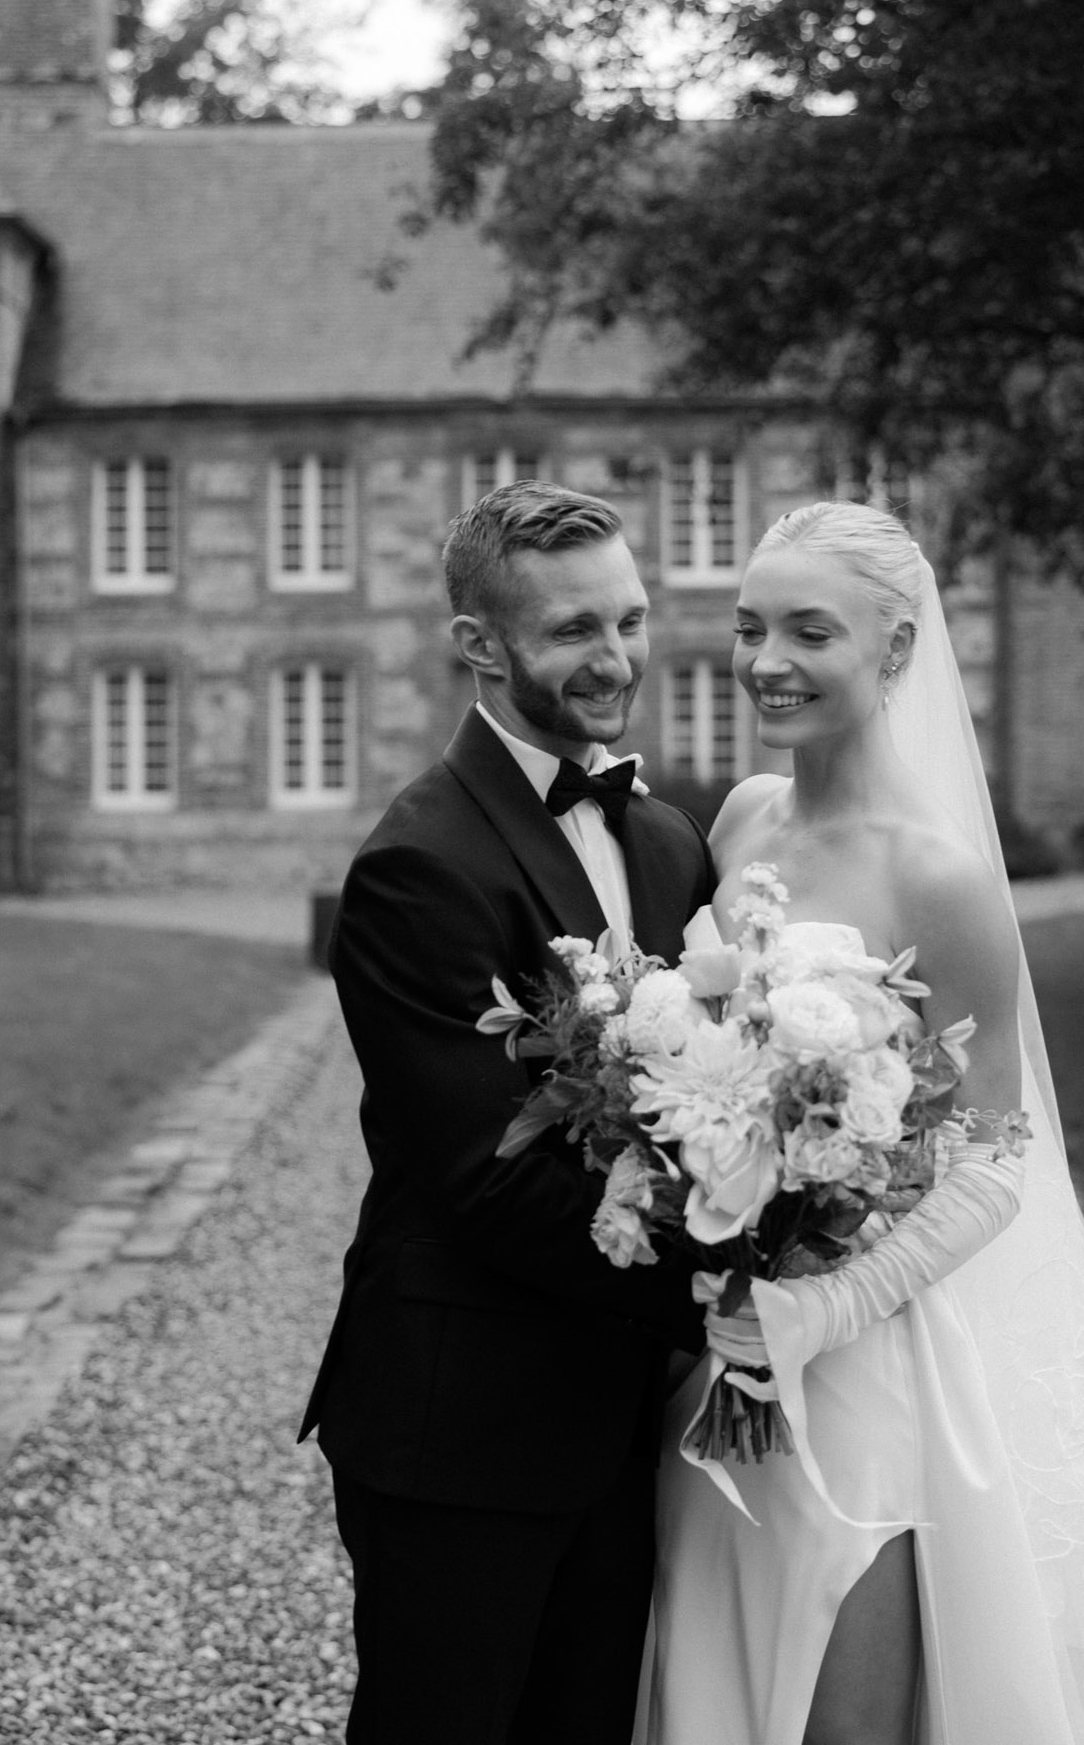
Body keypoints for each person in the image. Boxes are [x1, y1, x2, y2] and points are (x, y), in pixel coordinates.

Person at [636, 500, 1084, 1745]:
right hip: (724, 1333)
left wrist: (820, 1307)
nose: (765, 660)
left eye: (807, 630)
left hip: (869, 1351)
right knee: (716, 1670)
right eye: (747, 626)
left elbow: (996, 1153)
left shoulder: (936, 871)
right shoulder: (737, 819)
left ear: (895, 652)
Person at [300, 480, 717, 1745]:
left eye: (631, 619)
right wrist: (736, 1278)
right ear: (480, 646)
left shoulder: (665, 839)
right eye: (574, 631)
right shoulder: (418, 862)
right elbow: (485, 1178)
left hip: (625, 1416)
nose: (617, 658)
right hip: (461, 1422)